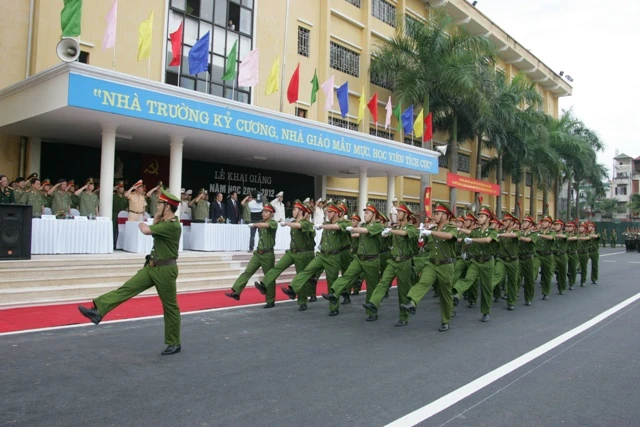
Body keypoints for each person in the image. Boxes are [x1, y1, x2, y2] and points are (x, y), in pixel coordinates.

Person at [77, 188, 183, 356]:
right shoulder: (164, 222)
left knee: (170, 307)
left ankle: (174, 342)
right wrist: (157, 215)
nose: (157, 204)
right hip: (152, 266)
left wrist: (141, 222)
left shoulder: (173, 225)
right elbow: (155, 225)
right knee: (127, 289)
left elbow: (147, 230)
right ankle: (98, 310)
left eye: (161, 203)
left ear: (168, 207)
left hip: (165, 270)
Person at [396, 202, 457, 330]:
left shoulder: (451, 228)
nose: (435, 216)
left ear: (445, 216)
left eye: (438, 214)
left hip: (446, 266)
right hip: (432, 263)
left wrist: (431, 233)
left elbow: (449, 236)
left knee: (446, 295)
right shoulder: (432, 230)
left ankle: (445, 320)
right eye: (434, 213)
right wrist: (421, 240)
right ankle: (412, 303)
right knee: (423, 282)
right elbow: (428, 247)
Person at [282, 202, 349, 309]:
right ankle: (293, 289)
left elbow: (336, 227)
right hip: (322, 255)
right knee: (307, 270)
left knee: (331, 282)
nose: (328, 213)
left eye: (330, 212)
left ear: (337, 213)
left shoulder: (343, 224)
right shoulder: (327, 223)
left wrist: (322, 225)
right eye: (327, 211)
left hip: (333, 257)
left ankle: (333, 308)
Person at [321, 204, 384, 318]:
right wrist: (350, 231)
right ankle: (334, 294)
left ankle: (372, 312)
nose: (365, 215)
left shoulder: (377, 226)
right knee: (347, 276)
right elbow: (359, 233)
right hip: (359, 259)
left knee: (371, 287)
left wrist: (352, 228)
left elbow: (365, 231)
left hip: (371, 261)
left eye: (367, 213)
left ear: (374, 215)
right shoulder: (364, 225)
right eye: (364, 213)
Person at [362, 201, 419, 326]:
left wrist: (390, 230)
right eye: (397, 212)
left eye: (399, 212)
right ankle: (373, 303)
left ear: (406, 215)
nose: (397, 214)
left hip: (405, 262)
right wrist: (383, 234)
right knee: (383, 282)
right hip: (393, 261)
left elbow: (404, 234)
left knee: (403, 292)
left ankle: (403, 317)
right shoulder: (395, 228)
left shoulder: (410, 228)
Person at [255, 200, 315, 310]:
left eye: (295, 209)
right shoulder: (293, 221)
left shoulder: (306, 223)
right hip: (291, 252)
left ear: (301, 211)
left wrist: (287, 223)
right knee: (278, 267)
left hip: (301, 254)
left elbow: (299, 225)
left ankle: (302, 302)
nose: (293, 211)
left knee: (300, 276)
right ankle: (264, 284)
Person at [225, 203, 278, 304]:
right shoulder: (261, 222)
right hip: (258, 253)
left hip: (267, 254)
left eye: (266, 212)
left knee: (269, 277)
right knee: (247, 272)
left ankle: (270, 300)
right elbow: (261, 224)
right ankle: (236, 291)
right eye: (263, 211)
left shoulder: (273, 223)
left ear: (271, 214)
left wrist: (254, 224)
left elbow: (265, 225)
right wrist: (256, 224)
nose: (264, 214)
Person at [452, 206, 498, 322]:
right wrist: (465, 247)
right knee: (468, 278)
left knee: (486, 288)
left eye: (482, 216)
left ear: (488, 219)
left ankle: (485, 312)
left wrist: (472, 240)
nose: (479, 218)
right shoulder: (476, 231)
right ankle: (457, 294)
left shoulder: (492, 231)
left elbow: (487, 240)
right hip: (476, 261)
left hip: (487, 263)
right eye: (479, 216)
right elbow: (469, 236)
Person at [491, 213, 520, 310]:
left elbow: (513, 235)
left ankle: (511, 302)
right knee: (497, 274)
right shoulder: (501, 231)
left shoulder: (517, 231)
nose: (504, 222)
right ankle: (488, 288)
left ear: (512, 222)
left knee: (512, 282)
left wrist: (500, 234)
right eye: (504, 220)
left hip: (512, 261)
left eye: (507, 221)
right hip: (501, 259)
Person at [518, 215, 538, 306]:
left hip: (528, 259)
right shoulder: (520, 233)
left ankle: (528, 297)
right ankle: (512, 297)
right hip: (519, 258)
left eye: (526, 222)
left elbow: (528, 240)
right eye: (523, 222)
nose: (523, 224)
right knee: (516, 278)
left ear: (530, 225)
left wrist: (517, 236)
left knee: (529, 280)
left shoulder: (534, 234)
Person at [535, 215, 556, 300]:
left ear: (550, 224)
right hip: (538, 255)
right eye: (543, 221)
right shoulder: (537, 232)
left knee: (547, 275)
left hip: (547, 256)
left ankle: (545, 292)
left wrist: (540, 235)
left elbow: (551, 238)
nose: (543, 223)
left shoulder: (552, 232)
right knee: (533, 267)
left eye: (546, 222)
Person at [565, 221, 579, 290]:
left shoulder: (576, 234)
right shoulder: (564, 234)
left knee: (573, 269)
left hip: (573, 254)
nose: (568, 228)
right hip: (566, 253)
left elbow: (573, 238)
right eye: (567, 226)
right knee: (566, 269)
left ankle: (572, 283)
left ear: (574, 228)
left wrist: (563, 237)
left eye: (570, 226)